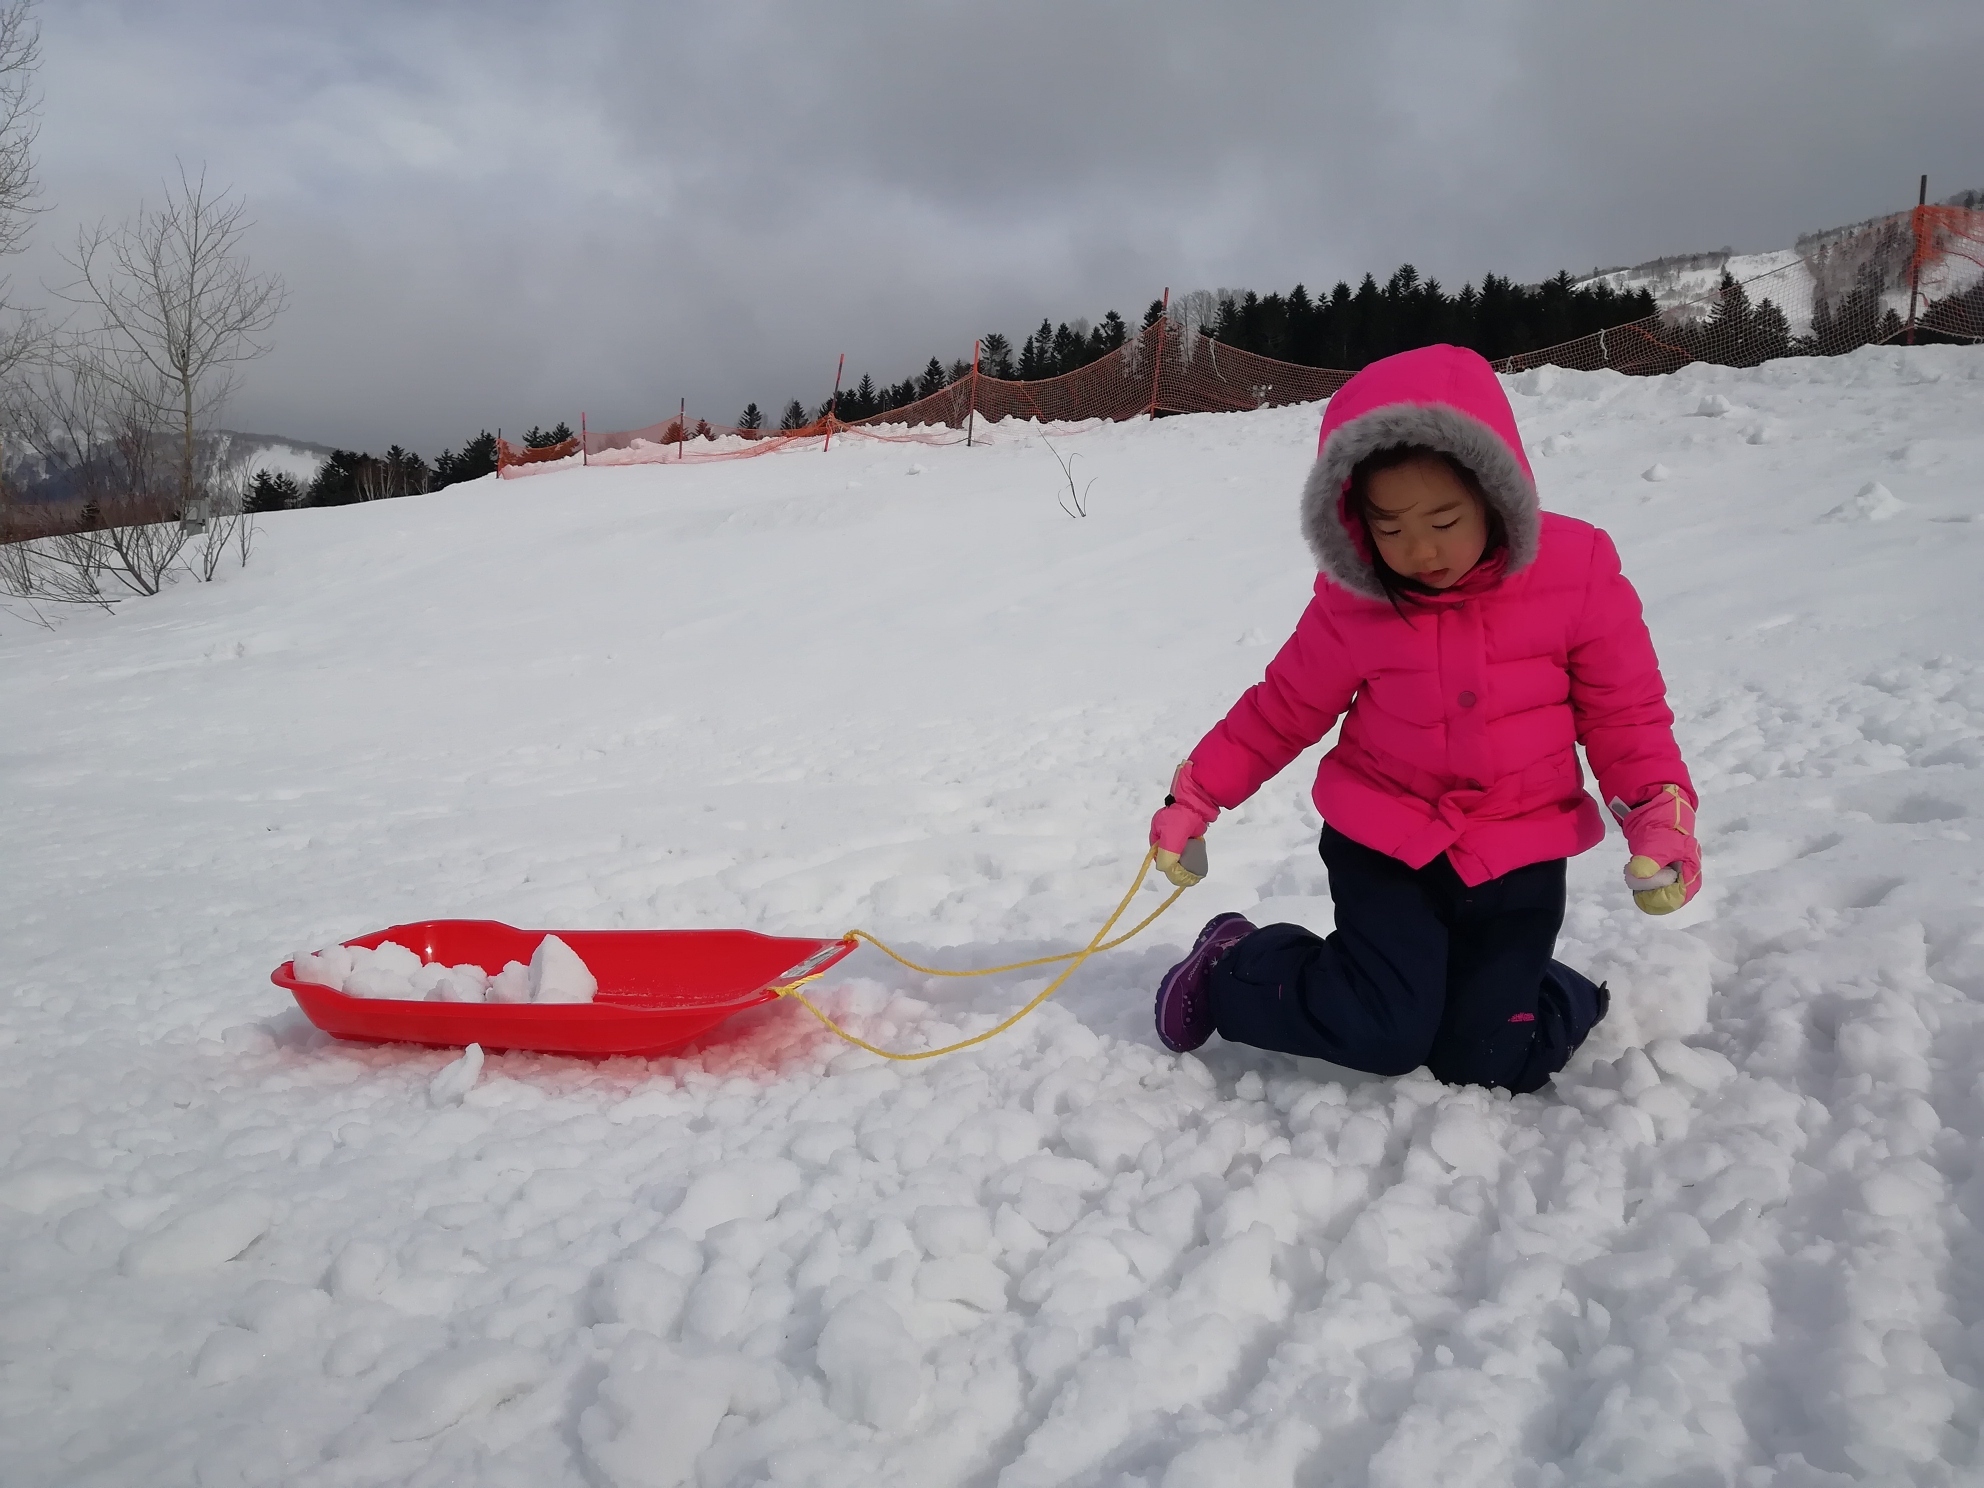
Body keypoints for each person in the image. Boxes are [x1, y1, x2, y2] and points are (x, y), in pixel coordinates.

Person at [1148, 344, 1700, 1095]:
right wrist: (1195, 798)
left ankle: (1531, 996)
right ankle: (1236, 966)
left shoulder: (1578, 570)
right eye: (1390, 525)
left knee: (1486, 1064)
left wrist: (1659, 815)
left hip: (1518, 849)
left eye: (1443, 518)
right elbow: (1281, 710)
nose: (1420, 549)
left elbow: (1625, 713)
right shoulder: (1357, 599)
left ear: (1495, 493)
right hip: (1387, 841)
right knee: (1386, 1030)